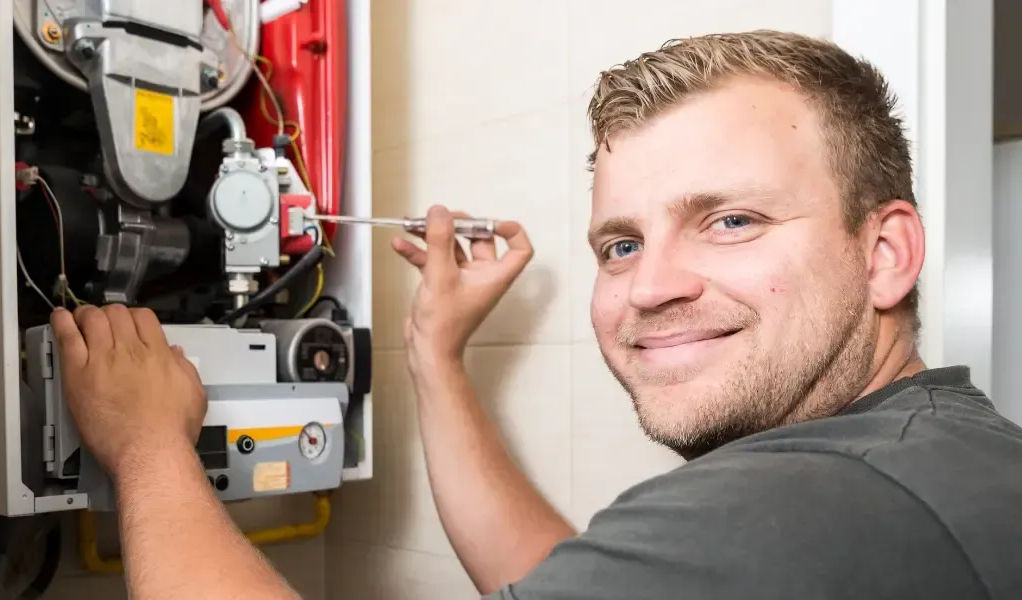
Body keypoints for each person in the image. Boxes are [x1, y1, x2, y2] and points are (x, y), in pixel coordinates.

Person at [50, 29, 1022, 599]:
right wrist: (434, 347)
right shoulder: (927, 451)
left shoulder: (810, 509)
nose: (649, 287)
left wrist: (145, 446)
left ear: (885, 251)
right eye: (622, 244)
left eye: (730, 220)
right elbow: (562, 576)